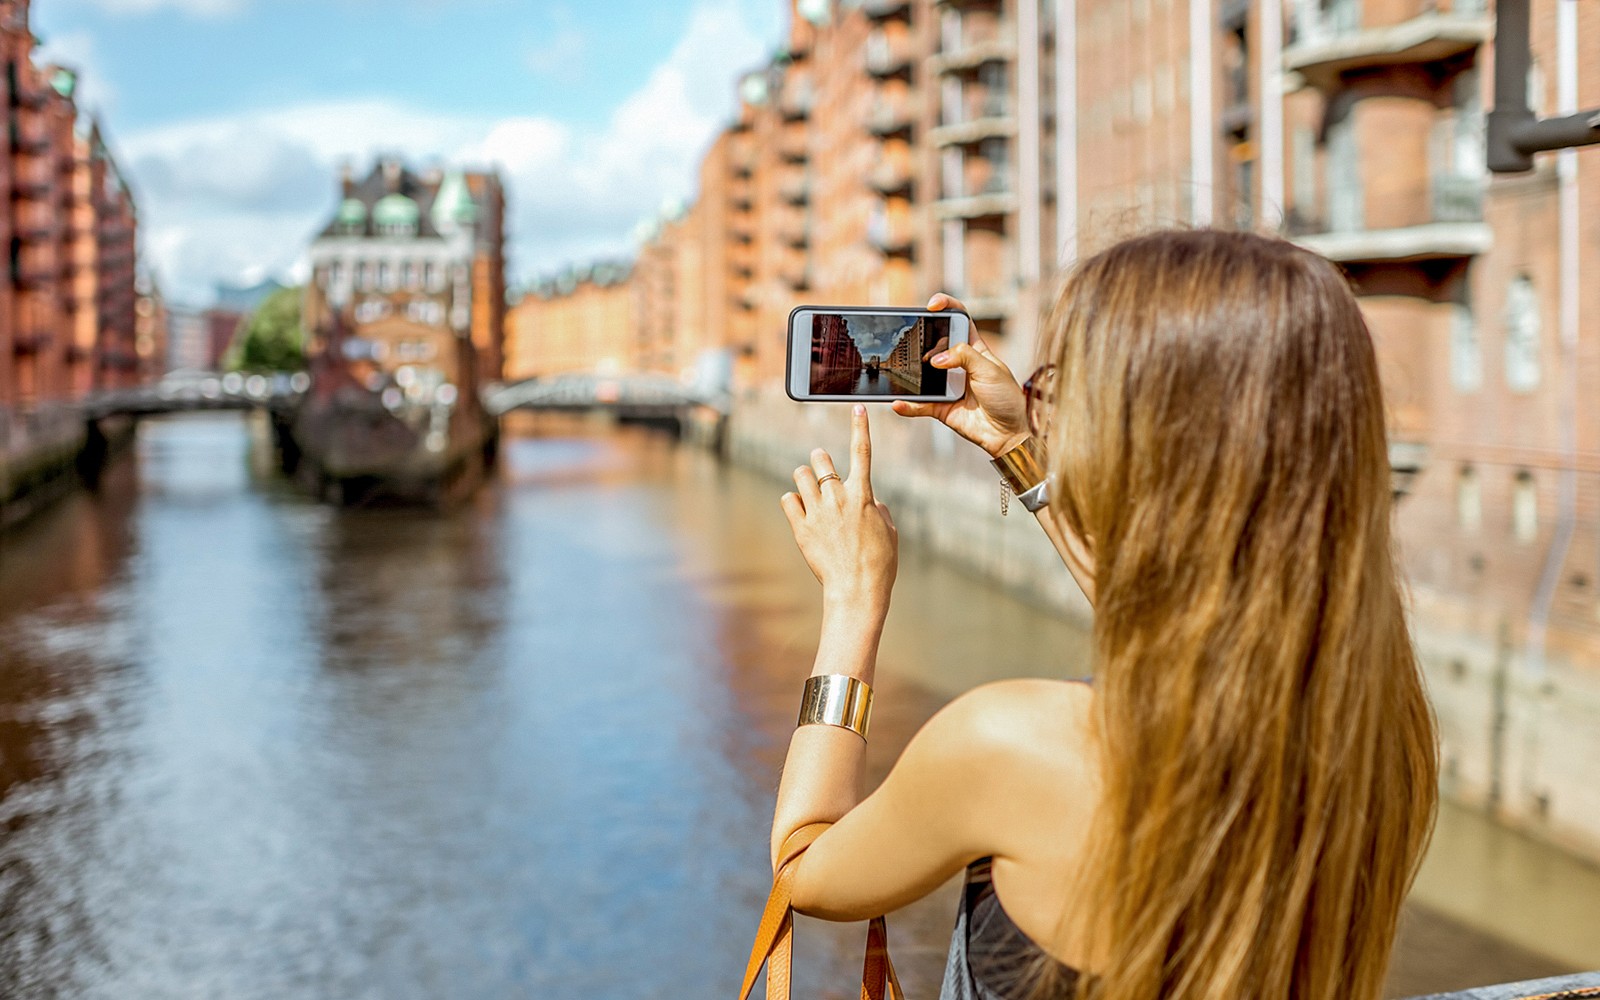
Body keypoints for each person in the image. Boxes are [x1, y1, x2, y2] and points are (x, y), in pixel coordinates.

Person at [769, 229, 1439, 1000]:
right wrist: (1015, 447)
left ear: (1137, 441)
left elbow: (805, 869)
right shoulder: (1386, 725)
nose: (1038, 398)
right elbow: (1196, 621)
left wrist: (855, 599)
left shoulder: (1010, 745)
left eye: (1055, 382)